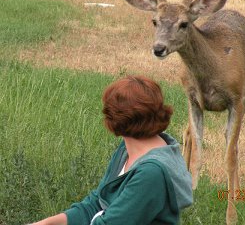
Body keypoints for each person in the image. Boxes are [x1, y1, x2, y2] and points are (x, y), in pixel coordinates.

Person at [29, 76, 192, 225]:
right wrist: (46, 223)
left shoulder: (152, 173)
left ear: (115, 119)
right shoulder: (127, 150)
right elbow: (97, 202)